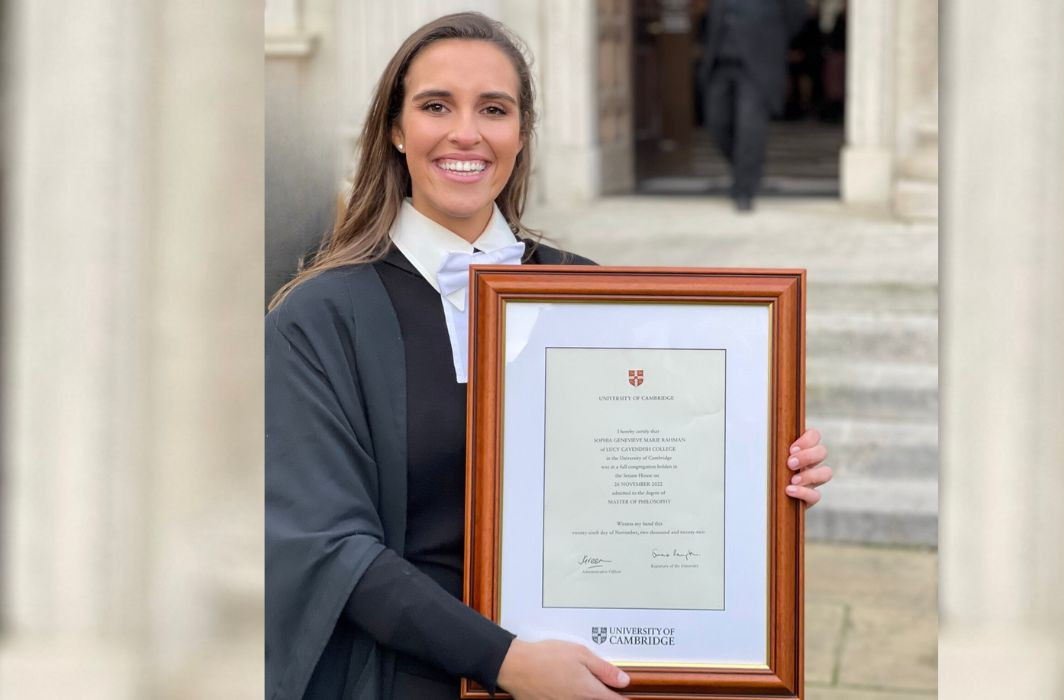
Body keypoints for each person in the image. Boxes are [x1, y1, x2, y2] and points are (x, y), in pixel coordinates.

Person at [266, 12, 832, 700]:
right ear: (394, 128)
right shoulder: (320, 317)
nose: (466, 133)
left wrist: (763, 466)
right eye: (436, 105)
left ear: (522, 132)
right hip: (403, 681)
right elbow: (332, 547)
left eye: (494, 109)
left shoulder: (586, 294)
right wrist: (505, 662)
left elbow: (659, 462)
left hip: (580, 678)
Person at [699, 0, 805, 211]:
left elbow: (796, 16)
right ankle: (745, 170)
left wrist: (772, 41)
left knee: (750, 128)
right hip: (720, 64)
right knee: (716, 122)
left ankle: (744, 189)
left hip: (758, 67)